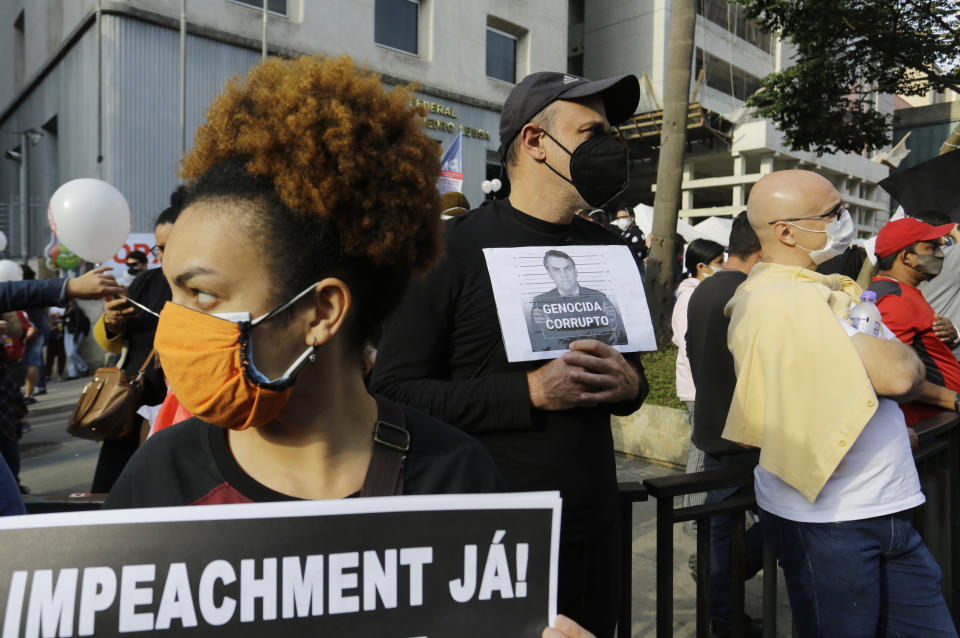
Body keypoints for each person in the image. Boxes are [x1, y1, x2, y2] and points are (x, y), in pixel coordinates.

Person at [105, 56, 503, 512]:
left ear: (322, 312)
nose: (172, 326)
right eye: (174, 295)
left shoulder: (456, 479)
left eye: (203, 295)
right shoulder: (159, 478)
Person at [371, 70, 648, 638]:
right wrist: (529, 393)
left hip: (592, 528)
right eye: (591, 131)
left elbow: (632, 377)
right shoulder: (450, 250)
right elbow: (392, 393)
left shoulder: (610, 247)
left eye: (610, 133)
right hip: (487, 534)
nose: (610, 147)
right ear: (535, 141)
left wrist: (631, 386)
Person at [723, 169, 955, 637]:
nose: (845, 221)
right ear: (785, 230)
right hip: (832, 522)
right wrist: (872, 341)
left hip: (882, 505)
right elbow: (901, 373)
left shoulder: (828, 294)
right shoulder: (778, 299)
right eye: (833, 213)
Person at [685, 212, 764, 637]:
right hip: (748, 439)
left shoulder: (707, 288)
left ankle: (724, 617)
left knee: (720, 533)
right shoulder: (749, 294)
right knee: (777, 525)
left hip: (716, 430)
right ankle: (725, 604)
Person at [91, 190, 182, 493]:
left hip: (182, 411)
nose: (165, 256)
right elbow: (116, 345)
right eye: (160, 249)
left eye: (174, 247)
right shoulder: (146, 282)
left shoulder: (208, 284)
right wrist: (112, 321)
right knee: (113, 491)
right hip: (133, 405)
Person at [867, 217, 960, 427]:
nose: (939, 254)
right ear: (907, 257)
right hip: (929, 424)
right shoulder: (894, 301)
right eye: (931, 247)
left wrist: (951, 337)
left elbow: (922, 350)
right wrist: (954, 400)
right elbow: (893, 373)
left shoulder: (903, 292)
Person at [672, 238, 724, 531]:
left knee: (705, 449)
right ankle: (691, 517)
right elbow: (684, 339)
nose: (724, 266)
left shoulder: (703, 292)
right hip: (696, 386)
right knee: (700, 450)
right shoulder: (688, 297)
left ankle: (696, 514)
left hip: (704, 384)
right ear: (701, 266)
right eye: (718, 262)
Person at [529, 249, 628, 351]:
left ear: (575, 271)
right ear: (550, 274)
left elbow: (621, 338)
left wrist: (613, 322)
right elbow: (540, 344)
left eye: (567, 269)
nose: (564, 275)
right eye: (556, 270)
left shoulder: (598, 297)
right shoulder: (540, 302)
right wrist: (542, 327)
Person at [913, 210, 960, 359]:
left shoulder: (907, 259)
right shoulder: (947, 257)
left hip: (915, 346)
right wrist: (955, 231)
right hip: (947, 349)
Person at [19, 265, 48, 400]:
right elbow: (46, 307)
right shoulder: (38, 286)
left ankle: (28, 391)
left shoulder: (18, 287)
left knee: (26, 361)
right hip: (40, 326)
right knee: (36, 361)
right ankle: (36, 389)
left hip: (23, 328)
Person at [610, 206, 647, 273]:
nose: (620, 220)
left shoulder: (637, 233)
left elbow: (640, 254)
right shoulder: (624, 233)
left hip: (636, 271)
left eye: (623, 217)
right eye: (618, 218)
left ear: (632, 218)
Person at [63, 299, 90, 379]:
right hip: (67, 333)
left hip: (75, 333)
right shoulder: (67, 310)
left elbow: (78, 323)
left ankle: (85, 368)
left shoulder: (77, 310)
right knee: (68, 355)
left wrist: (76, 337)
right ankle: (73, 373)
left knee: (72, 353)